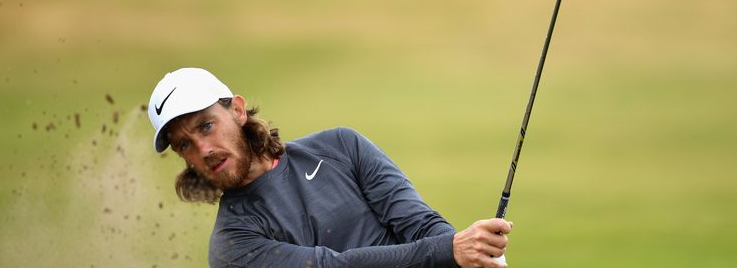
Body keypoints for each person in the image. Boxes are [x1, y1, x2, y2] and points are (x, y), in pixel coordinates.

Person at [148, 67, 512, 268]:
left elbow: (418, 223)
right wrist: (451, 251)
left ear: (238, 111)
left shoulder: (341, 146)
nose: (203, 149)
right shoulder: (232, 246)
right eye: (185, 145)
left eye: (205, 126)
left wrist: (473, 257)